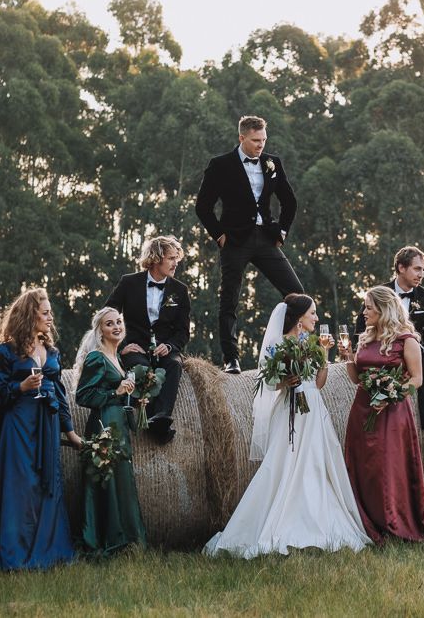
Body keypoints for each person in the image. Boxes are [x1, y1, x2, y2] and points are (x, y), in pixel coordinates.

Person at [203, 294, 372, 558]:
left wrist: (325, 355)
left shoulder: (313, 343)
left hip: (314, 409)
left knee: (316, 463)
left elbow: (317, 383)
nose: (316, 317)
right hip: (289, 410)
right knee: (284, 464)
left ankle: (320, 521)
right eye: (312, 313)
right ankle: (278, 523)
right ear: (299, 318)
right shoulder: (278, 344)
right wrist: (286, 381)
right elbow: (269, 383)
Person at [341, 286, 424, 544]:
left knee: (386, 467)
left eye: (369, 307)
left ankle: (392, 521)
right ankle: (364, 520)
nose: (364, 312)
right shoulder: (365, 338)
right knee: (362, 466)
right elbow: (356, 379)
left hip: (392, 412)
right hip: (362, 410)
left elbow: (417, 379)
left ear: (384, 309)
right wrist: (349, 358)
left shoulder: (407, 339)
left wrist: (391, 395)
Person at [0, 288, 82, 570]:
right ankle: (15, 553)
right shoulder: (6, 350)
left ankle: (50, 552)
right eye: (45, 312)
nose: (50, 318)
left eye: (50, 312)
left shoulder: (51, 351)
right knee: (20, 486)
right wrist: (20, 387)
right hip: (18, 426)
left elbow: (60, 393)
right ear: (29, 314)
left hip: (46, 425)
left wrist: (70, 432)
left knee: (47, 483)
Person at [196, 115, 303, 374]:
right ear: (241, 138)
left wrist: (283, 232)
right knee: (229, 300)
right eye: (255, 140)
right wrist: (219, 235)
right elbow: (203, 206)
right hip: (234, 240)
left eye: (264, 140)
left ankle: (297, 351)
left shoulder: (271, 163)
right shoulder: (220, 165)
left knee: (298, 295)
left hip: (266, 238)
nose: (261, 145)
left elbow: (290, 201)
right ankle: (231, 358)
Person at [355, 246, 424, 450]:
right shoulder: (378, 294)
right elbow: (360, 327)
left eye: (423, 270)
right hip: (381, 346)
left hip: (415, 349)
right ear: (401, 268)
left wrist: (421, 349)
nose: (421, 274)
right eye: (417, 269)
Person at [104, 235, 190, 444]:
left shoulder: (180, 290)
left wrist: (169, 346)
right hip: (135, 348)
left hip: (166, 349)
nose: (175, 263)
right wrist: (121, 346)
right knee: (142, 370)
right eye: (171, 258)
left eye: (176, 258)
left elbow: (183, 331)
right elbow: (107, 315)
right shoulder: (128, 282)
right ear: (156, 258)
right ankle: (158, 427)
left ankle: (161, 417)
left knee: (173, 366)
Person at [75, 307, 147, 554]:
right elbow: (83, 395)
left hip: (117, 423)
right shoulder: (97, 357)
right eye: (109, 324)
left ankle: (126, 538)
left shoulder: (118, 358)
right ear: (100, 331)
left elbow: (116, 392)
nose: (116, 326)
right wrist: (115, 392)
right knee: (105, 481)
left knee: (120, 478)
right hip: (103, 425)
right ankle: (106, 539)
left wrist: (136, 399)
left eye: (118, 322)